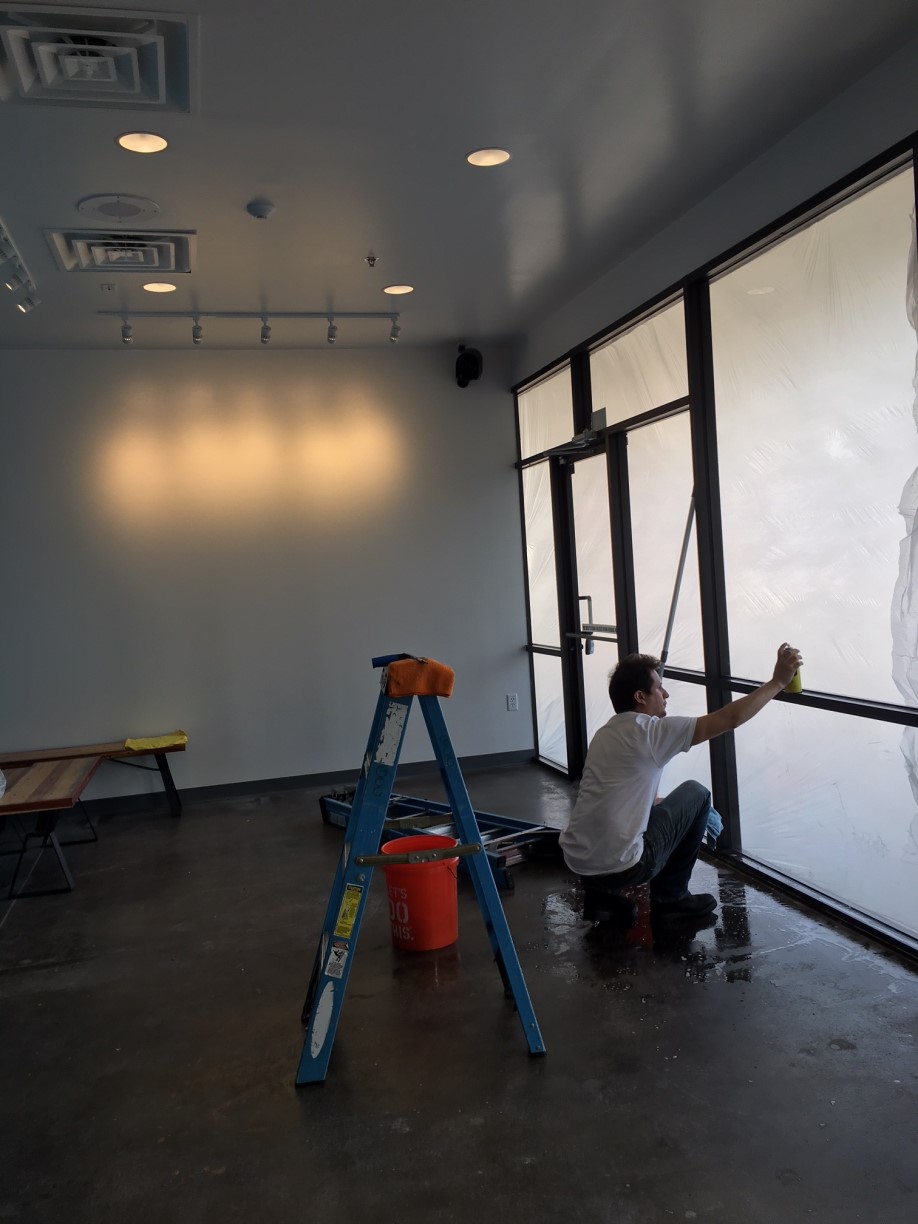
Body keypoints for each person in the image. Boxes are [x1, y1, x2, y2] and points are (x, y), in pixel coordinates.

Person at [560, 643, 803, 923]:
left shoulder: (605, 734)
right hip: (624, 865)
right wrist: (778, 682)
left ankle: (602, 900)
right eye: (659, 688)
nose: (666, 694)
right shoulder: (651, 732)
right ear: (640, 696)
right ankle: (671, 900)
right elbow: (730, 718)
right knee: (697, 795)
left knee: (664, 808)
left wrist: (675, 812)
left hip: (579, 860)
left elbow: (629, 800)